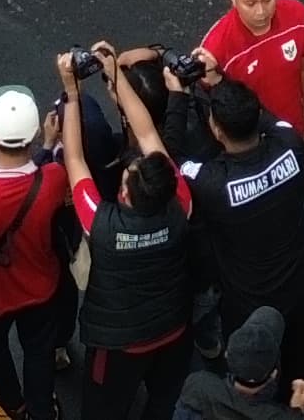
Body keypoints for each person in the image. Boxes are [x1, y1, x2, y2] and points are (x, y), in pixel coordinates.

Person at [60, 47, 200, 420]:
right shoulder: (180, 203)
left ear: (123, 194)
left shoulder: (101, 225)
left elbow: (74, 159)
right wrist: (117, 78)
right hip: (173, 330)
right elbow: (149, 132)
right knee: (163, 403)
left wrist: (71, 94)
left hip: (118, 346)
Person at [185, 80, 304, 390]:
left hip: (250, 302)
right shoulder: (291, 144)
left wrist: (180, 99)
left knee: (250, 377)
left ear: (217, 131)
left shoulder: (213, 184)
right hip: (302, 285)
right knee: (302, 373)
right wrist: (222, 84)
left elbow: (171, 154)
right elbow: (269, 118)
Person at [0, 85, 75, 420]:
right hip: (42, 284)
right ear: (34, 133)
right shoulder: (53, 177)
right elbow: (42, 169)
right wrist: (49, 145)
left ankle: (13, 407)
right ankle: (41, 409)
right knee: (39, 352)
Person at [197, 0, 304, 148]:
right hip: (250, 146)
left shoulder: (299, 16)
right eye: (251, 4)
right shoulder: (215, 49)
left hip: (293, 130)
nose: (261, 12)